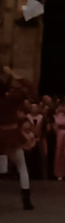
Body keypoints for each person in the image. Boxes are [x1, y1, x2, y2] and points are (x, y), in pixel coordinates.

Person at [0, 68, 34, 210]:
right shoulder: (12, 99)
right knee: (22, 167)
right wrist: (15, 75)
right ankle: (26, 200)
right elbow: (28, 88)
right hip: (13, 135)